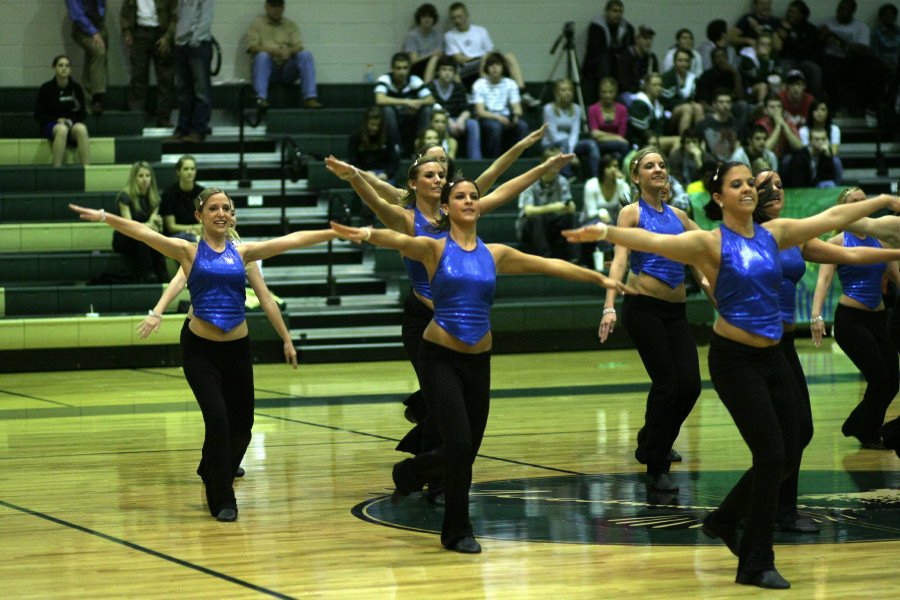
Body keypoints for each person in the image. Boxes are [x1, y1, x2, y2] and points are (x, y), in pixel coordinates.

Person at [563, 162, 900, 589]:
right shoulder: (709, 242)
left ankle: (724, 520)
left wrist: (888, 210)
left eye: (749, 184)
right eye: (736, 184)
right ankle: (755, 562)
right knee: (772, 454)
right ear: (719, 197)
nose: (746, 189)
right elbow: (649, 240)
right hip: (734, 361)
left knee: (792, 442)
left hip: (775, 355)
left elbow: (833, 221)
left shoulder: (775, 234)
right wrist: (606, 234)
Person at [329, 163, 625, 554]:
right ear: (447, 208)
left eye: (473, 196)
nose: (468, 201)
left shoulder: (495, 253)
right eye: (459, 197)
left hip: (479, 363)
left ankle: (412, 470)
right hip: (440, 359)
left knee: (465, 450)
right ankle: (457, 530)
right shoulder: (433, 247)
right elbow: (396, 241)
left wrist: (597, 278)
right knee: (458, 445)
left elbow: (549, 265)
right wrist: (365, 233)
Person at [69, 189, 337, 522]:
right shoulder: (188, 252)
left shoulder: (244, 253)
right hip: (201, 351)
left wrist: (334, 232)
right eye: (213, 208)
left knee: (244, 427)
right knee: (219, 420)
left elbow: (290, 242)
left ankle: (211, 467)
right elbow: (144, 232)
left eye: (226, 208)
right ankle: (222, 497)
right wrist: (106, 217)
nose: (221, 213)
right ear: (200, 216)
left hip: (237, 350)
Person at [752, 171, 900, 532]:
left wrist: (895, 249)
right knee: (780, 436)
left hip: (783, 344)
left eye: (780, 185)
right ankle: (768, 510)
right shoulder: (744, 237)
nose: (774, 191)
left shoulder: (792, 235)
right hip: (751, 348)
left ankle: (772, 508)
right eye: (763, 186)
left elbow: (853, 253)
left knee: (800, 430)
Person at [591, 147, 710, 492]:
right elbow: (619, 261)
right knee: (668, 384)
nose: (658, 169)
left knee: (690, 386)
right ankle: (656, 464)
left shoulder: (681, 217)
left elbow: (701, 266)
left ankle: (651, 438)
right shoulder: (631, 213)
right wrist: (609, 306)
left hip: (676, 312)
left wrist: (720, 300)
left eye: (661, 164)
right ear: (635, 177)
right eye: (649, 165)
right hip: (643, 307)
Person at [811, 187, 900, 449]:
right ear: (844, 208)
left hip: (879, 318)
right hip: (851, 320)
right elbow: (824, 279)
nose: (861, 205)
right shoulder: (838, 242)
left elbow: (897, 277)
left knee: (892, 380)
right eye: (854, 202)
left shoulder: (882, 241)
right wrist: (816, 316)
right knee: (880, 378)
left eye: (864, 202)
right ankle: (868, 432)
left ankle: (856, 423)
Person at [443, 2, 538, 107]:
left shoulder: (480, 31)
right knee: (483, 59)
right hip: (466, 68)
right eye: (454, 18)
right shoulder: (450, 35)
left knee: (510, 57)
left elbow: (490, 51)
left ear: (466, 15)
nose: (457, 21)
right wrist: (482, 58)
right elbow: (459, 58)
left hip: (485, 61)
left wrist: (486, 58)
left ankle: (523, 92)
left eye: (459, 17)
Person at [246, 0, 322, 110]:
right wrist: (271, 51)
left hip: (287, 68)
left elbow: (299, 46)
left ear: (283, 8)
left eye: (279, 6)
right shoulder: (257, 24)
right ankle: (260, 98)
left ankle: (310, 98)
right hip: (269, 68)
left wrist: (289, 51)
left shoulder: (290, 25)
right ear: (267, 7)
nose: (276, 10)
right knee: (262, 57)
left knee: (306, 55)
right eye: (273, 6)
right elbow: (252, 47)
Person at [121, 0, 177, 127]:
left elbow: (176, 14)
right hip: (139, 32)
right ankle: (136, 115)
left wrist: (168, 37)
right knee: (138, 76)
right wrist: (127, 32)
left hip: (161, 33)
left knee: (166, 77)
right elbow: (125, 12)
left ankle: (164, 117)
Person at [516, 147, 578, 261]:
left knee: (570, 217)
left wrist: (570, 207)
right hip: (529, 227)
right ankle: (546, 257)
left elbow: (569, 205)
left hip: (551, 223)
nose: (557, 166)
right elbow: (528, 211)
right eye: (554, 162)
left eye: (559, 163)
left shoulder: (562, 181)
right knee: (536, 218)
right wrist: (552, 207)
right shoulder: (530, 180)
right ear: (544, 163)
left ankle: (573, 258)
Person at [113, 161, 167, 283]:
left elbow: (157, 223)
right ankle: (149, 274)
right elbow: (129, 227)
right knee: (144, 236)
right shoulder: (124, 197)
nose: (145, 180)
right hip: (124, 237)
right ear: (134, 178)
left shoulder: (154, 198)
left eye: (148, 176)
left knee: (156, 237)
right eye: (141, 176)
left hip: (144, 235)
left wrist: (156, 225)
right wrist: (149, 225)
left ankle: (163, 274)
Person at [34, 55, 90, 167]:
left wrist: (71, 121)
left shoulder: (76, 88)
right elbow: (38, 115)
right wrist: (57, 120)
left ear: (70, 69)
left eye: (67, 66)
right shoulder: (46, 88)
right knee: (62, 129)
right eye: (60, 65)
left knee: (82, 129)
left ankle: (87, 169)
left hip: (71, 124)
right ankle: (57, 168)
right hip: (52, 125)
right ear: (54, 68)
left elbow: (82, 113)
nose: (64, 68)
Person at [374, 52, 434, 156]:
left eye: (405, 68)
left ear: (409, 69)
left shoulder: (414, 80)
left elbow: (430, 99)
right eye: (398, 68)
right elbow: (379, 99)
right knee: (387, 110)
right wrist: (407, 102)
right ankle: (396, 148)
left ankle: (420, 148)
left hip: (410, 118)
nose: (402, 72)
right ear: (392, 68)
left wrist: (416, 103)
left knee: (427, 109)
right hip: (391, 120)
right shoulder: (385, 79)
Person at [472, 52, 529, 158]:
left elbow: (518, 109)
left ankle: (521, 160)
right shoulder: (479, 84)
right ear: (487, 68)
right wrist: (498, 117)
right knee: (495, 127)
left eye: (498, 65)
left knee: (522, 126)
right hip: (488, 117)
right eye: (491, 65)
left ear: (503, 67)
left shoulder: (510, 84)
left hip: (506, 117)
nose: (495, 68)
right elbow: (480, 111)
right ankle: (494, 160)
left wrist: (515, 117)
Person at [173, 0, 214, 142]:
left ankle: (198, 129)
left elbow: (206, 18)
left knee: (201, 90)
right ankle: (183, 128)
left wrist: (195, 40)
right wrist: (178, 39)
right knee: (184, 90)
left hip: (198, 45)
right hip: (181, 44)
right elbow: (179, 15)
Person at [543, 78, 599, 180]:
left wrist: (570, 152)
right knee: (564, 140)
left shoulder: (577, 109)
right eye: (563, 90)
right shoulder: (548, 108)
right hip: (551, 143)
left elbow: (575, 133)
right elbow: (553, 135)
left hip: (569, 144)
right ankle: (567, 175)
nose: (567, 93)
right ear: (556, 92)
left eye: (569, 90)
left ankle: (596, 178)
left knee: (591, 144)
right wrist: (570, 156)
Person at [582, 0, 635, 106]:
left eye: (620, 12)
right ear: (606, 12)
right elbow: (595, 51)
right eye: (614, 11)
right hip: (596, 69)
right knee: (604, 60)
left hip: (618, 68)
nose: (618, 15)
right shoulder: (596, 27)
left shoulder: (628, 28)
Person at [428, 55, 480, 159]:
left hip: (457, 119)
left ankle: (475, 159)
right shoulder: (431, 87)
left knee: (473, 124)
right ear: (437, 72)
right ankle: (445, 159)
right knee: (441, 124)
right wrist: (448, 121)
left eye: (450, 70)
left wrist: (461, 120)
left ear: (454, 73)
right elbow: (432, 108)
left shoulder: (458, 87)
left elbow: (467, 109)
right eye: (444, 69)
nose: (447, 73)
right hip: (440, 120)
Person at [65, 0, 107, 114]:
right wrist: (93, 32)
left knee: (93, 60)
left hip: (99, 25)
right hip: (82, 28)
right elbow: (76, 15)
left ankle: (87, 99)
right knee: (99, 52)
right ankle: (96, 97)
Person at [776, 0, 823, 99]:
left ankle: (813, 103)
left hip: (804, 60)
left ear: (802, 14)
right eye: (789, 11)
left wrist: (788, 37)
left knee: (814, 69)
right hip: (786, 59)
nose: (789, 14)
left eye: (793, 12)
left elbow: (807, 50)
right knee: (784, 66)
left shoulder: (810, 29)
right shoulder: (781, 25)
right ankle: (784, 101)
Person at [348, 107, 400, 184]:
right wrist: (364, 172)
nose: (375, 128)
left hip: (383, 173)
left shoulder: (388, 135)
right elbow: (352, 160)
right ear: (366, 123)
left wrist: (386, 174)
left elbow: (394, 160)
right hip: (363, 173)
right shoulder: (356, 136)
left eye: (377, 125)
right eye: (372, 124)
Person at [660, 48, 704, 135]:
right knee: (687, 108)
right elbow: (667, 101)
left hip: (687, 107)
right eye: (680, 61)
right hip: (669, 112)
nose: (683, 64)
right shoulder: (667, 77)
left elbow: (696, 97)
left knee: (698, 107)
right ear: (674, 61)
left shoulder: (692, 78)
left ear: (690, 62)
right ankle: (684, 141)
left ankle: (701, 140)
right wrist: (686, 103)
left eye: (686, 61)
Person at [161, 155, 204, 241]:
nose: (190, 172)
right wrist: (192, 228)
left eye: (192, 169)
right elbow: (171, 227)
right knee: (193, 239)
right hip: (176, 236)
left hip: (198, 233)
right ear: (178, 171)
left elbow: (206, 221)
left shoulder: (202, 193)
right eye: (186, 169)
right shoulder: (169, 193)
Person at [587, 77, 630, 162]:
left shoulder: (622, 109)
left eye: (610, 92)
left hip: (617, 144)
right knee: (623, 145)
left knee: (623, 147)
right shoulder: (592, 109)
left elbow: (622, 134)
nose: (607, 95)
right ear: (599, 93)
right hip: (599, 144)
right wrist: (617, 138)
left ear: (615, 93)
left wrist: (602, 135)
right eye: (604, 92)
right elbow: (595, 134)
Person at [616, 25, 660, 103]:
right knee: (630, 100)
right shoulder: (627, 56)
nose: (648, 42)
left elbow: (656, 78)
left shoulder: (652, 58)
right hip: (629, 93)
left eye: (650, 38)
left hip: (647, 93)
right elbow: (624, 83)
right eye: (645, 38)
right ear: (637, 39)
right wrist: (640, 94)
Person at [696, 90, 744, 163]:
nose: (725, 105)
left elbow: (739, 147)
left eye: (728, 102)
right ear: (714, 104)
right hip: (710, 164)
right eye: (721, 102)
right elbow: (700, 148)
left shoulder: (737, 124)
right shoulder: (703, 124)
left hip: (731, 164)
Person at [738, 31, 783, 106]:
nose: (766, 48)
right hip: (750, 89)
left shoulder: (774, 56)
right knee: (763, 86)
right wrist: (764, 60)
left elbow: (778, 75)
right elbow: (757, 78)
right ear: (756, 45)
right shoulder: (748, 57)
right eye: (762, 44)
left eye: (769, 45)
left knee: (782, 86)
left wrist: (774, 81)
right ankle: (761, 109)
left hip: (769, 84)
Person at [404, 3, 442, 82]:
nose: (427, 20)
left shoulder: (437, 35)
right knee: (434, 58)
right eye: (424, 17)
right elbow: (413, 60)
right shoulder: (412, 36)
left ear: (434, 19)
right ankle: (426, 87)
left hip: (435, 67)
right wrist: (431, 54)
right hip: (417, 67)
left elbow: (439, 55)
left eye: (430, 17)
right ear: (419, 18)